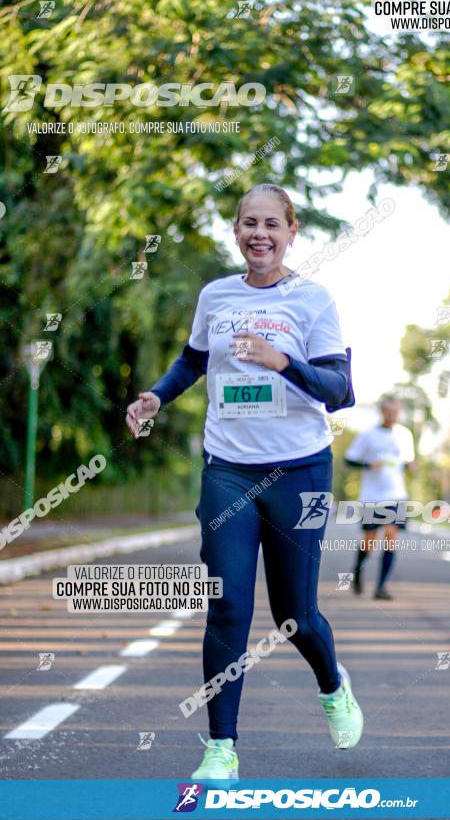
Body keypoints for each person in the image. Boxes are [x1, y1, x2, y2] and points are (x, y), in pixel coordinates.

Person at [126, 183, 363, 780]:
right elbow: (195, 360)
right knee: (228, 605)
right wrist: (157, 395)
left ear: (291, 233)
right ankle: (220, 748)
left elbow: (341, 391)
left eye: (271, 226)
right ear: (236, 231)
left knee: (295, 615)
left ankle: (334, 687)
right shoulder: (216, 295)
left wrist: (280, 361)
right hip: (228, 468)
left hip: (300, 470)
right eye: (249, 224)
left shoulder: (312, 300)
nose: (259, 235)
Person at [344, 396, 415, 600]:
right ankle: (357, 570)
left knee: (391, 538)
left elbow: (408, 460)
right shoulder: (368, 435)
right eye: (388, 412)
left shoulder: (404, 434)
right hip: (372, 497)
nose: (392, 416)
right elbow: (349, 460)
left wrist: (411, 466)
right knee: (370, 541)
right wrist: (367, 465)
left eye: (395, 413)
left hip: (397, 495)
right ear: (381, 412)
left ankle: (381, 587)